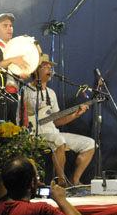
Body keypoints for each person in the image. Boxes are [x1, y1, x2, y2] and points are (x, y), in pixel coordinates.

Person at [23, 55, 95, 185]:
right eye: (46, 66)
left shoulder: (51, 93)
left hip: (52, 133)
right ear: (35, 69)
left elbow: (56, 120)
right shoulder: (26, 91)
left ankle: (75, 180)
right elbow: (22, 116)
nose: (50, 69)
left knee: (90, 143)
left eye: (51, 67)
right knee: (59, 140)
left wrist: (75, 115)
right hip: (34, 134)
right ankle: (62, 181)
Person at [0, 13, 30, 123]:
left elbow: (19, 73)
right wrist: (10, 60)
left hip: (14, 96)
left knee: (14, 133)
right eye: (5, 26)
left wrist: (24, 74)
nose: (9, 28)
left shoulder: (15, 49)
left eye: (10, 26)